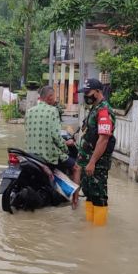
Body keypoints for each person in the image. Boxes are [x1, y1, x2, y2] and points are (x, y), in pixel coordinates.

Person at [74, 79, 116, 226]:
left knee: (99, 196)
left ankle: (98, 233)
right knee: (90, 194)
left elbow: (103, 139)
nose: (86, 96)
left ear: (98, 92)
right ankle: (90, 229)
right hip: (88, 162)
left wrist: (92, 162)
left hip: (97, 164)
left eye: (88, 92)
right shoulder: (94, 108)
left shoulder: (104, 111)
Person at [25, 86, 79, 179]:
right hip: (48, 155)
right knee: (77, 168)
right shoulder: (53, 111)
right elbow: (56, 137)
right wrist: (65, 148)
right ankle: (75, 194)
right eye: (55, 97)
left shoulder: (29, 111)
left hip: (31, 154)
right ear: (49, 97)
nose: (55, 99)